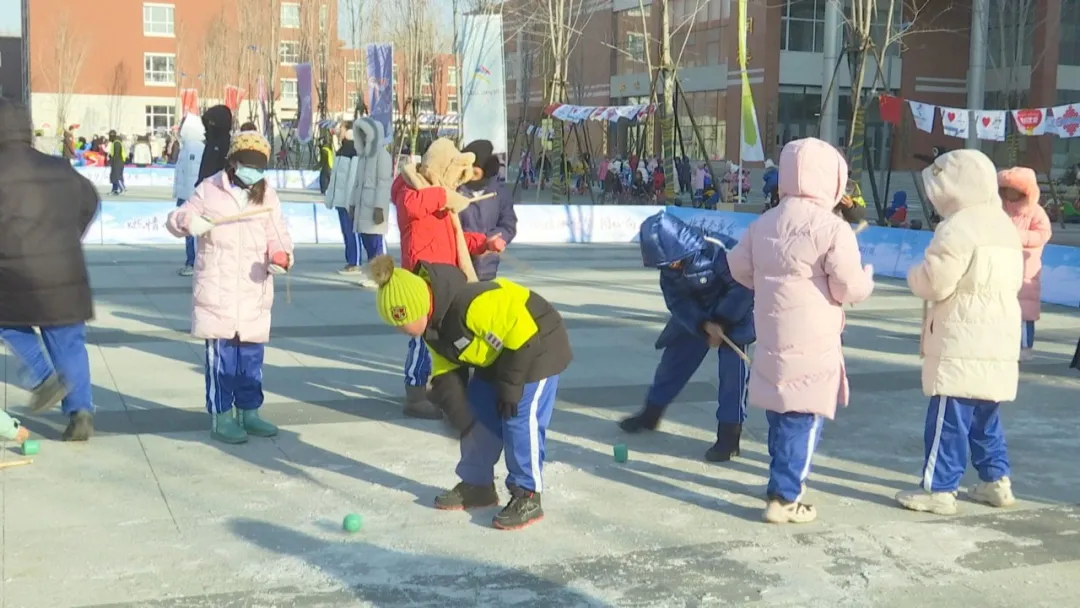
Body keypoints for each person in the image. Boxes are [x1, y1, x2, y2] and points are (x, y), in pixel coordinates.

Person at [728, 138, 875, 524]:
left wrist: (768, 281)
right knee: (805, 416)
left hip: (773, 331)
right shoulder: (832, 227)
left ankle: (780, 481)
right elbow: (847, 286)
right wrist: (867, 281)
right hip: (813, 338)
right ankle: (785, 496)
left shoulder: (764, 222)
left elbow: (738, 267)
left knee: (781, 411)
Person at [368, 255, 572, 530]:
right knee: (478, 412)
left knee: (519, 420)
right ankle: (478, 485)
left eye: (399, 322)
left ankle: (528, 494)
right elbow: (446, 368)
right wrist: (457, 408)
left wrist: (510, 389)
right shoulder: (433, 328)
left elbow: (524, 337)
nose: (398, 330)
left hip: (537, 346)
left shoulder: (473, 305)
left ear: (417, 308)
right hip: (498, 356)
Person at [895, 149, 1023, 516]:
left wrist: (914, 274)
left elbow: (936, 282)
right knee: (986, 414)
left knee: (947, 418)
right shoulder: (1004, 225)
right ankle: (996, 480)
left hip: (961, 336)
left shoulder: (958, 226)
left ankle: (940, 488)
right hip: (998, 335)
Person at [166, 133, 295, 445]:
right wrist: (188, 223)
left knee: (251, 359)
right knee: (221, 360)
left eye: (260, 168)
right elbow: (176, 218)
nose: (254, 173)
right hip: (217, 290)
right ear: (233, 163)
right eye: (249, 166)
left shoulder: (267, 196)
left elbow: (279, 235)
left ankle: (249, 411)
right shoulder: (209, 188)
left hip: (253, 290)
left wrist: (282, 257)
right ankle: (221, 415)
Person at [0, 99, 100, 441]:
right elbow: (90, 201)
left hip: (13, 275)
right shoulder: (59, 167)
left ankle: (44, 378)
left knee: (8, 325)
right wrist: (70, 236)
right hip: (63, 272)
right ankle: (81, 411)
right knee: (69, 341)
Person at [620, 211, 754, 462]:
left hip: (736, 314)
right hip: (700, 317)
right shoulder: (668, 265)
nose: (669, 267)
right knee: (673, 363)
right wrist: (702, 323)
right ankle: (651, 413)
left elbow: (744, 286)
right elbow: (677, 300)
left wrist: (723, 320)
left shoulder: (719, 250)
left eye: (671, 260)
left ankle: (729, 436)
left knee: (733, 377)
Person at [392, 138, 500, 418]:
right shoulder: (410, 188)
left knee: (445, 338)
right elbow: (410, 208)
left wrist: (483, 243)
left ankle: (444, 388)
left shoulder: (438, 199)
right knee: (423, 338)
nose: (455, 185)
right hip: (423, 277)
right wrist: (443, 195)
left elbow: (455, 238)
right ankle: (415, 393)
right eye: (452, 176)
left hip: (446, 278)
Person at [998, 167, 1052, 361]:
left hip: (1025, 270)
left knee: (1025, 310)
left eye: (1013, 190)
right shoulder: (999, 209)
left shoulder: (1035, 212)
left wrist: (1017, 237)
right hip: (1001, 267)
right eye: (1006, 190)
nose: (1009, 195)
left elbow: (1043, 234)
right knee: (1002, 309)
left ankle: (1025, 346)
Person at [458, 140, 516, 281]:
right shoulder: (456, 191)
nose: (471, 171)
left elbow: (508, 225)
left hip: (487, 267)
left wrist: (496, 239)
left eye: (475, 166)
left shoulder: (499, 193)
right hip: (459, 265)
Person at [172, 114, 206, 277]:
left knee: (191, 230)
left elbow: (193, 175)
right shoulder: (186, 146)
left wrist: (191, 197)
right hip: (185, 194)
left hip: (190, 196)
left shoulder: (194, 147)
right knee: (187, 231)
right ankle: (191, 260)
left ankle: (193, 262)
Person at [197, 105, 233, 188]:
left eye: (212, 122)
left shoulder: (225, 143)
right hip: (204, 186)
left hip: (217, 188)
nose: (210, 126)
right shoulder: (210, 142)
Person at [108, 130, 126, 194]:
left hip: (118, 161)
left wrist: (111, 159)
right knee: (114, 176)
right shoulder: (115, 142)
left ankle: (122, 188)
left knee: (117, 176)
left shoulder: (117, 143)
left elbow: (117, 153)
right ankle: (114, 189)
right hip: (116, 161)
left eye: (109, 135)